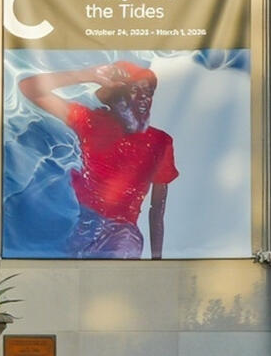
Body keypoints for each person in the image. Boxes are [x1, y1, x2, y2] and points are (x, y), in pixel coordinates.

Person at [16, 59, 175, 258]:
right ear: (119, 94)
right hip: (78, 226)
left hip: (122, 233)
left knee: (113, 276)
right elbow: (29, 88)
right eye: (136, 90)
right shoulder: (89, 121)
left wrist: (157, 259)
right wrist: (87, 75)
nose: (144, 98)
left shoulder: (160, 142)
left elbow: (157, 208)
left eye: (149, 92)